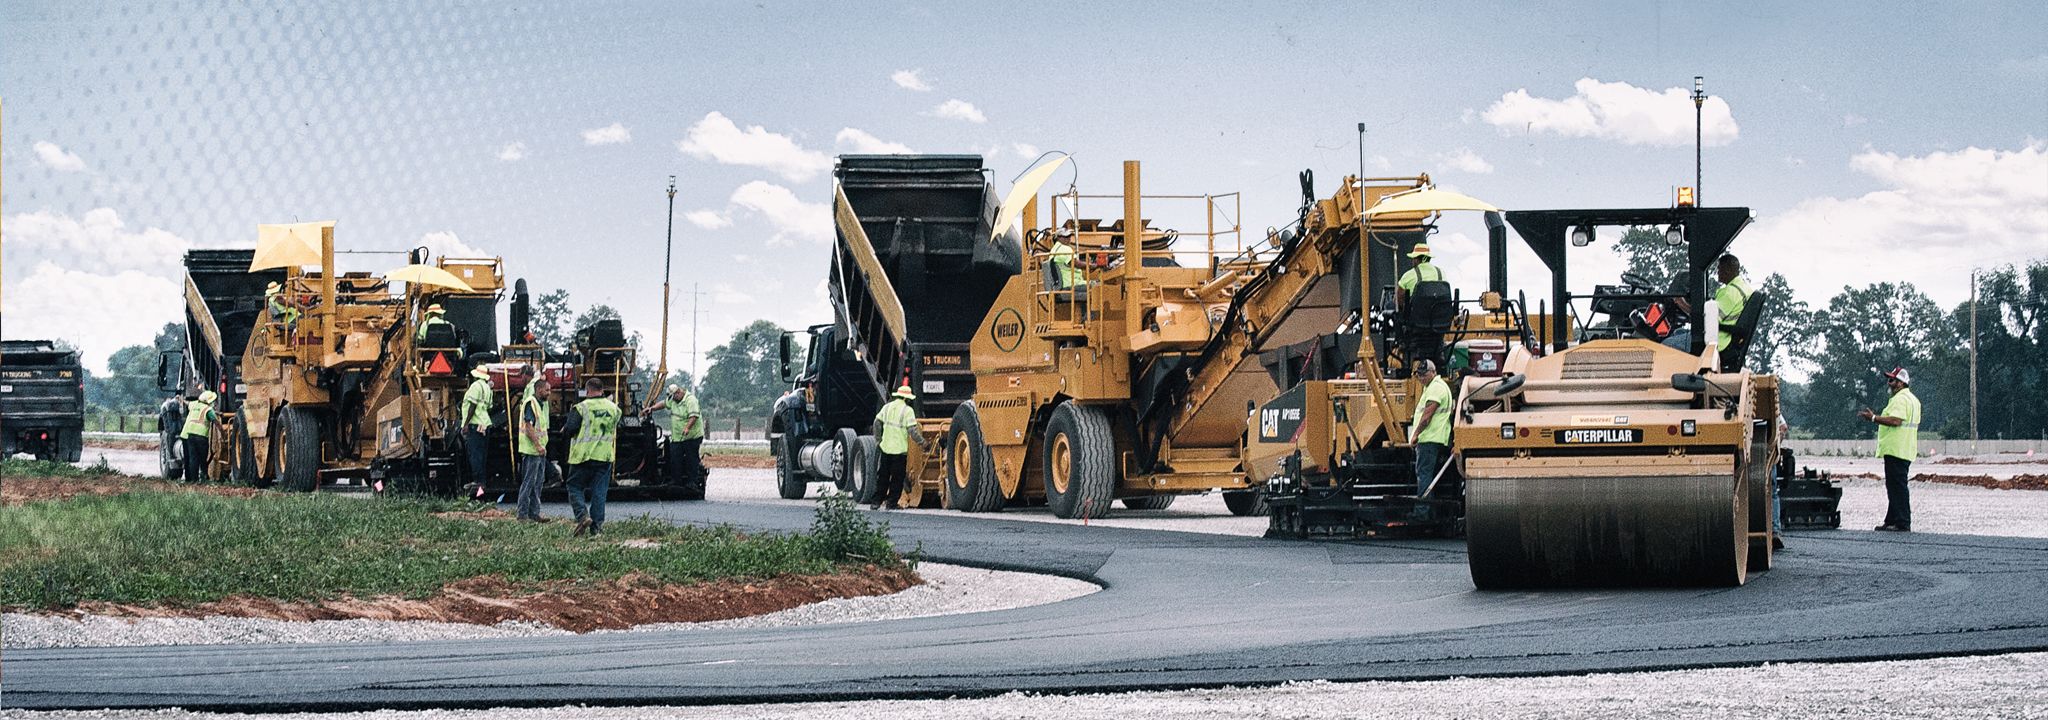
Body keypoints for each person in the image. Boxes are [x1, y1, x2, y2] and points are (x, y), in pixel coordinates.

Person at [1860, 366, 1921, 532]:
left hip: (1896, 448)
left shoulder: (1900, 400)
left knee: (1897, 486)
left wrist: (1873, 418)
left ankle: (1902, 521)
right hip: (1905, 448)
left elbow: (1895, 421)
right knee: (1895, 485)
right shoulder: (1913, 400)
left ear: (1901, 383)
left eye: (1892, 380)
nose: (1889, 383)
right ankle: (1892, 519)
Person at [563, 378, 620, 536]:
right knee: (599, 492)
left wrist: (565, 429)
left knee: (574, 486)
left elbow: (571, 429)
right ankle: (597, 529)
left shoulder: (581, 407)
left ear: (587, 391)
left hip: (583, 455)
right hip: (605, 456)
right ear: (602, 390)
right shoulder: (614, 408)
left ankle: (582, 516)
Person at [1663, 254, 1750, 355]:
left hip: (1716, 341)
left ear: (1728, 270)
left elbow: (1708, 320)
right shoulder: (1743, 288)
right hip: (1725, 337)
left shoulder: (1730, 293)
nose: (1718, 272)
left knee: (1666, 344)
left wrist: (1682, 304)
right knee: (1678, 332)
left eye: (1719, 269)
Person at [1406, 360, 1453, 518]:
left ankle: (1422, 512)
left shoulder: (1435, 389)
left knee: (1424, 474)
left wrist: (1415, 434)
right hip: (1435, 438)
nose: (1421, 378)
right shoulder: (1434, 387)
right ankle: (1429, 512)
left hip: (1430, 439)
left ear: (1433, 372)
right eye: (1419, 375)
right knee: (1428, 475)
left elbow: (1427, 416)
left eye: (1424, 375)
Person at [641, 384, 706, 495]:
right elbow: (664, 403)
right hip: (677, 437)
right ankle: (676, 481)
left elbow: (693, 416)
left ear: (678, 392)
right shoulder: (673, 400)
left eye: (673, 396)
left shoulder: (690, 401)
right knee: (675, 458)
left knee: (691, 459)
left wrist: (687, 428)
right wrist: (652, 408)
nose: (672, 399)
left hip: (691, 436)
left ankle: (692, 483)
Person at [870, 385, 927, 510]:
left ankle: (876, 502)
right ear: (907, 399)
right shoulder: (907, 411)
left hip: (885, 448)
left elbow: (876, 423)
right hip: (899, 451)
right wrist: (923, 443)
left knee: (883, 477)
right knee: (897, 479)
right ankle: (891, 503)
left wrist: (879, 440)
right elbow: (912, 430)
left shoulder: (887, 407)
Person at [1396, 244, 1453, 368]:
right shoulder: (1441, 273)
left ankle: (1402, 345)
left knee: (1394, 314)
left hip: (1416, 327)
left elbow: (1399, 298)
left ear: (1416, 259)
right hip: (1439, 327)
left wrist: (1404, 310)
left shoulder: (1409, 275)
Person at [515, 376, 553, 522]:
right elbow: (529, 426)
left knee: (538, 482)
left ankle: (534, 513)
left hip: (539, 450)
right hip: (532, 450)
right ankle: (522, 514)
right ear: (539, 389)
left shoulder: (540, 404)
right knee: (529, 482)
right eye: (547, 390)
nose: (549, 393)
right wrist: (537, 445)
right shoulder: (531, 403)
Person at [459, 367, 493, 499]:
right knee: (482, 455)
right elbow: (489, 406)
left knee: (475, 454)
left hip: (475, 424)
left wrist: (466, 423)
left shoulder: (475, 386)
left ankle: (477, 481)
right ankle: (481, 483)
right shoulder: (487, 388)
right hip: (485, 424)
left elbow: (472, 406)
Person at [179, 390, 219, 484]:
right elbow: (215, 421)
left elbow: (187, 403)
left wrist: (180, 399)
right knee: (202, 459)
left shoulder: (194, 405)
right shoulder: (208, 410)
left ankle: (192, 480)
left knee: (192, 459)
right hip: (201, 436)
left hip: (188, 434)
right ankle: (204, 478)